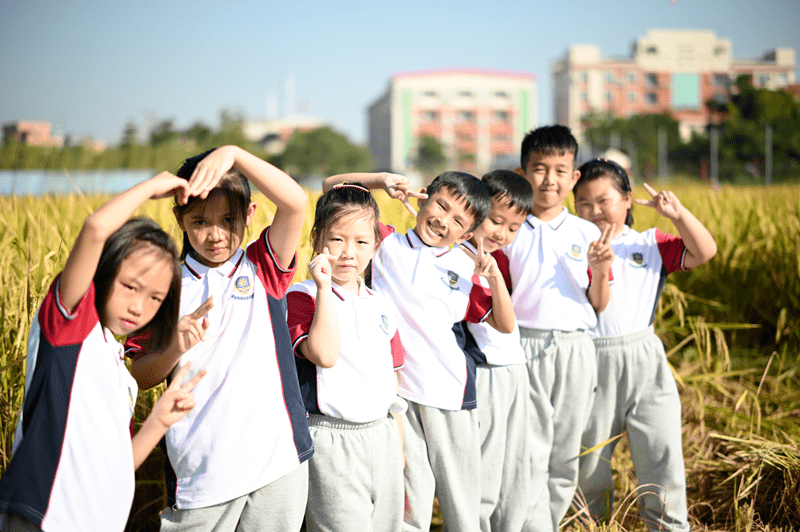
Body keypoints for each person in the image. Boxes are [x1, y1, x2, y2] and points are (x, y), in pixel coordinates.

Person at [0, 173, 206, 532]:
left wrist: (159, 419)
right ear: (105, 271)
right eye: (130, 286)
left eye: (155, 298)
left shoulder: (119, 371)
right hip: (43, 518)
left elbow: (116, 465)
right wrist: (151, 187)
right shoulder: (73, 328)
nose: (139, 306)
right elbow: (95, 228)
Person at [127, 145, 311, 532]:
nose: (215, 235)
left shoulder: (263, 265)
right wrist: (174, 346)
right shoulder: (163, 284)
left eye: (228, 219)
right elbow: (140, 376)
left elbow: (295, 203)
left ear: (249, 214)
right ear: (179, 218)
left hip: (276, 462)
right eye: (199, 221)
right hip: (201, 471)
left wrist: (233, 154)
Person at [321, 170, 516, 532]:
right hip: (399, 397)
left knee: (461, 501)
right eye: (440, 205)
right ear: (423, 197)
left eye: (458, 220)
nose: (443, 221)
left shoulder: (464, 268)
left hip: (449, 396)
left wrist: (494, 279)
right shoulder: (384, 245)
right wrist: (381, 180)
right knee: (412, 498)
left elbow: (505, 324)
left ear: (468, 234)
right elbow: (333, 189)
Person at [573, 159, 716, 531]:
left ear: (628, 200)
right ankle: (591, 524)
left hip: (644, 360)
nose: (595, 211)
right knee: (588, 465)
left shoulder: (648, 243)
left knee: (661, 455)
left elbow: (703, 252)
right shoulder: (570, 248)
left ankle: (668, 525)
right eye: (584, 203)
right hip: (589, 361)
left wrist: (678, 214)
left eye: (604, 200)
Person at [499, 125, 614, 531]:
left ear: (574, 177)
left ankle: (543, 525)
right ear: (522, 172)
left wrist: (600, 271)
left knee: (564, 452)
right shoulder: (508, 230)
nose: (549, 180)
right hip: (523, 346)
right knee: (525, 450)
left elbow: (599, 303)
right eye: (540, 168)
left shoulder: (588, 233)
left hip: (575, 348)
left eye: (560, 171)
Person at [285, 182, 407, 532]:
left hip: (382, 436)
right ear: (317, 238)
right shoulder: (303, 297)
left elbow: (391, 381)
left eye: (361, 242)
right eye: (337, 240)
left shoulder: (381, 304)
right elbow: (324, 354)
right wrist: (324, 287)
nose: (348, 253)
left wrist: (397, 448)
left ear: (377, 245)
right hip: (332, 439)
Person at [452, 169, 535, 532]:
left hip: (513, 369)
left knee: (516, 466)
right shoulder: (455, 257)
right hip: (484, 373)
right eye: (495, 221)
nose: (502, 233)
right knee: (483, 471)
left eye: (514, 227)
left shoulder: (497, 258)